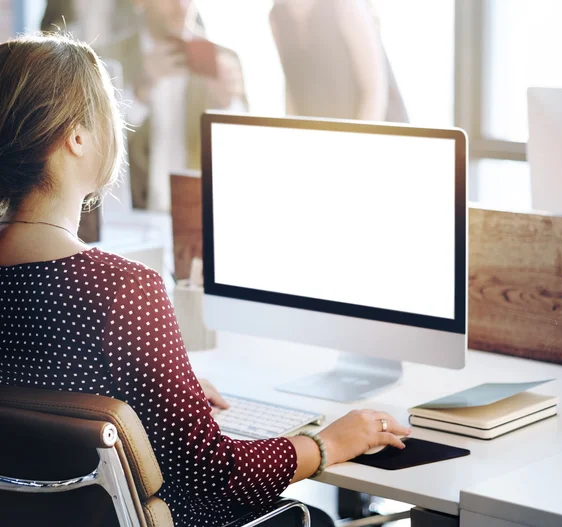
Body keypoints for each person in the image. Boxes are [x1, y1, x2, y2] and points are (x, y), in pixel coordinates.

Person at [0, 34, 411, 527]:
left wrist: (158, 386)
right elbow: (214, 476)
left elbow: (40, 388)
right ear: (78, 137)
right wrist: (328, 444)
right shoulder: (122, 291)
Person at [99, 0, 247, 212]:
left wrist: (226, 104)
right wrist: (139, 92)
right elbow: (98, 146)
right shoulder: (109, 58)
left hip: (199, 212)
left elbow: (240, 154)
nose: (181, 6)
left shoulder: (224, 59)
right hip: (130, 216)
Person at [270, 0, 409, 123]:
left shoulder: (346, 4)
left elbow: (375, 89)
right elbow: (293, 87)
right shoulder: (276, 16)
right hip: (327, 130)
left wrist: (356, 140)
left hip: (377, 125)